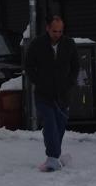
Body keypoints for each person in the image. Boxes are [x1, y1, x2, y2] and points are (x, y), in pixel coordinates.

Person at [24, 15, 79, 172]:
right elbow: (29, 66)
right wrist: (39, 81)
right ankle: (52, 158)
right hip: (43, 94)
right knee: (50, 125)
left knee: (60, 126)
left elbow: (75, 66)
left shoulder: (69, 44)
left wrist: (69, 83)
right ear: (47, 28)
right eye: (55, 31)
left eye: (60, 31)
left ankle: (55, 156)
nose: (58, 34)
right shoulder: (37, 45)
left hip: (63, 94)